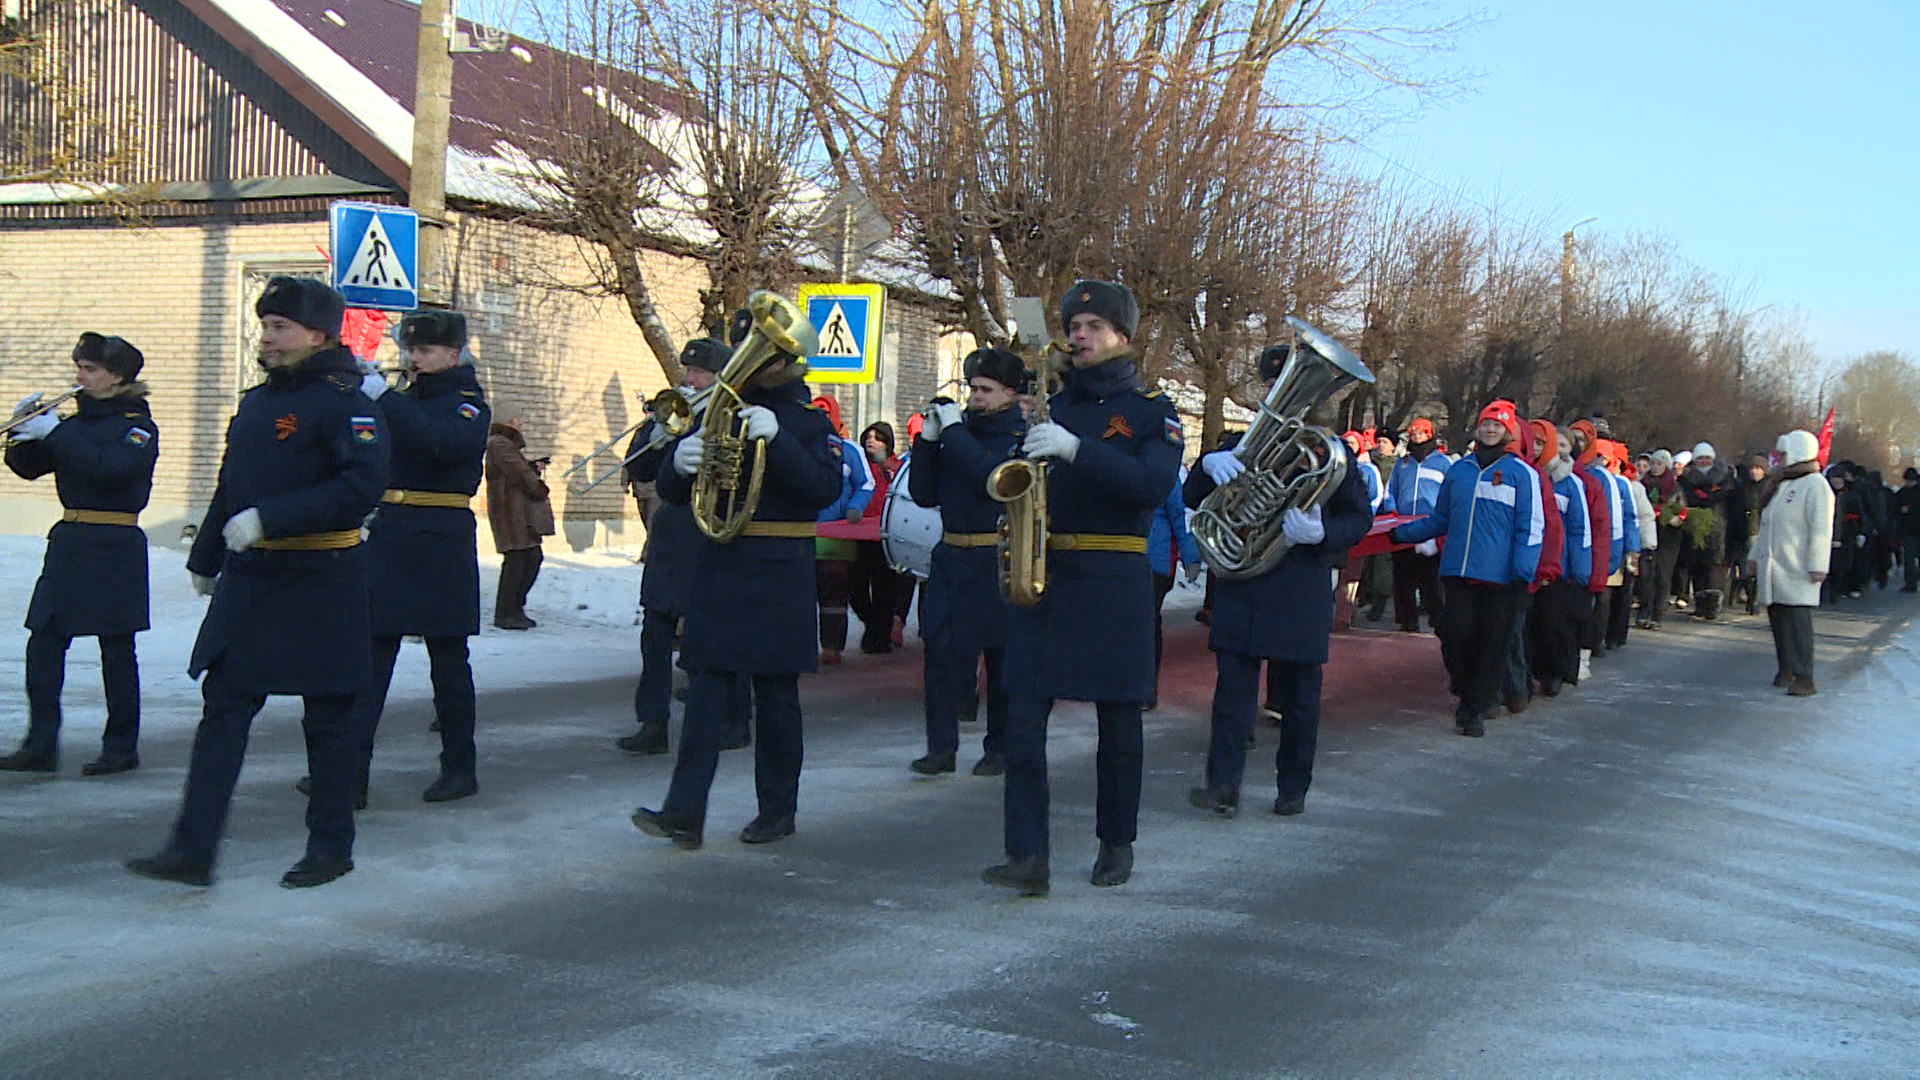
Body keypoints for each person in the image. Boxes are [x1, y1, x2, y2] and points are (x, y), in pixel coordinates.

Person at [127, 277, 387, 888]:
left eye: (279, 327)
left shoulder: (349, 404)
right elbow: (232, 483)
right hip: (253, 582)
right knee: (224, 707)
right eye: (264, 325)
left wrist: (272, 518)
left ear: (317, 335)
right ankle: (191, 850)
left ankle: (330, 847)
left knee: (329, 720)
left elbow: (359, 488)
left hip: (322, 579)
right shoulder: (257, 402)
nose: (265, 337)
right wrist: (207, 555)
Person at [982, 280, 1181, 896]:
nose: (1079, 335)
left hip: (1114, 578)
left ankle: (1116, 843)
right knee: (1021, 719)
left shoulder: (1152, 411)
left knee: (1117, 724)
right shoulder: (1052, 403)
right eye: (1074, 326)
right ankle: (1026, 854)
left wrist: (1076, 449)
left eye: (1094, 326)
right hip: (1046, 576)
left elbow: (1149, 485)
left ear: (1123, 335)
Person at [631, 333, 841, 849]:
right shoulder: (718, 412)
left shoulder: (809, 422)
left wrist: (780, 441)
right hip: (722, 564)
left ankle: (777, 810)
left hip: (780, 570)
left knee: (776, 698)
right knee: (704, 694)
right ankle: (684, 813)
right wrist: (678, 464)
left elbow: (822, 490)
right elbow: (675, 491)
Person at [1184, 374, 1371, 818]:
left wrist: (1321, 532)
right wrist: (1207, 464)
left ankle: (1292, 788)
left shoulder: (1330, 453)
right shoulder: (1239, 443)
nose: (1281, 395)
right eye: (1275, 385)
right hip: (1243, 583)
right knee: (1232, 698)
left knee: (1300, 699)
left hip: (1300, 584)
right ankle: (1222, 787)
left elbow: (1358, 517)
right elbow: (1193, 496)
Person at [337, 309, 490, 806]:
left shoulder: (469, 405)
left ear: (453, 354)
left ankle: (459, 768)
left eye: (425, 351)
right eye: (411, 350)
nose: (414, 359)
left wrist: (384, 399)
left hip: (442, 538)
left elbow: (439, 442)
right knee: (370, 659)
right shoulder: (405, 398)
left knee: (448, 661)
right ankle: (349, 773)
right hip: (393, 533)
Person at [0, 333, 158, 775]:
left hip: (115, 543)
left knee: (116, 648)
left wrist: (56, 432)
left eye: (90, 369)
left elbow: (109, 468)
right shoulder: (75, 423)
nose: (80, 376)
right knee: (44, 642)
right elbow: (29, 468)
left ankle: (121, 746)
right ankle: (40, 744)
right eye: (80, 367)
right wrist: (22, 432)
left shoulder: (137, 426)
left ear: (117, 376)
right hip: (71, 541)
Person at [617, 338, 750, 756]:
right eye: (688, 371)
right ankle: (652, 722)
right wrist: (657, 435)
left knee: (718, 633)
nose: (691, 380)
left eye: (700, 373)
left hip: (712, 534)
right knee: (654, 631)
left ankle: (734, 719)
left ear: (720, 376)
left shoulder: (732, 415)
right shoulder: (672, 410)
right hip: (670, 533)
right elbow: (638, 469)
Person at [908, 348, 1028, 776]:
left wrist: (954, 433)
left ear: (1009, 394)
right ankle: (941, 748)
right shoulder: (958, 433)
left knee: (1000, 658)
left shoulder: (1019, 438)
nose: (975, 397)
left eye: (986, 390)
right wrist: (927, 441)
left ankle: (1000, 748)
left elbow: (989, 478)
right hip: (952, 555)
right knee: (940, 654)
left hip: (996, 556)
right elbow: (924, 494)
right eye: (973, 388)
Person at [1390, 400, 1543, 736]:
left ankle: (1475, 708)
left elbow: (1530, 529)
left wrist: (1522, 574)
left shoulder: (1521, 474)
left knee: (1491, 645)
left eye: (1497, 425)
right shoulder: (1460, 470)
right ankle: (1466, 690)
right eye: (1486, 423)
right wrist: (1401, 534)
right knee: (1455, 637)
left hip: (1498, 578)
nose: (1490, 429)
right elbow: (1441, 518)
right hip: (1457, 571)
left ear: (1508, 431)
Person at [1749, 430, 1832, 696]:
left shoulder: (1816, 485)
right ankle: (1785, 668)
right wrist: (1754, 556)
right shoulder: (1781, 484)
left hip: (1797, 566)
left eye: (1784, 454)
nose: (1780, 459)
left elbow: (1821, 528)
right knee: (1778, 619)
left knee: (1797, 622)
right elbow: (1767, 525)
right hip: (1775, 565)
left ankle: (1804, 675)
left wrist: (1818, 564)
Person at [1503, 421, 1561, 714]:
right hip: (1490, 566)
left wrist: (1546, 567)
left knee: (1515, 631)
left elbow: (1548, 526)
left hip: (1524, 568)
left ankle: (1518, 687)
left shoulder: (1535, 477)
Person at [811, 394, 874, 665]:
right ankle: (800, 648)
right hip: (801, 533)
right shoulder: (800, 446)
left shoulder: (849, 450)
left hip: (837, 535)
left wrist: (855, 508)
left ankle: (832, 647)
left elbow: (866, 483)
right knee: (799, 596)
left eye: (827, 414)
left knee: (834, 596)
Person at [1531, 426, 1590, 697]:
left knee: (1552, 622)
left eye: (1541, 443)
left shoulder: (1570, 483)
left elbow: (1579, 529)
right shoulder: (1525, 473)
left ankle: (1552, 672)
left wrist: (1579, 569)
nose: (1536, 448)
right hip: (1528, 561)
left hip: (1558, 566)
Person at [486, 408, 553, 629]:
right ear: (509, 420)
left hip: (517, 510)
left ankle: (514, 608)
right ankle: (507, 612)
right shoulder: (500, 444)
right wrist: (538, 486)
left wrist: (532, 467)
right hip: (511, 511)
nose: (521, 422)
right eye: (518, 418)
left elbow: (517, 470)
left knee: (529, 557)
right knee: (519, 559)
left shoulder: (504, 444)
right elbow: (519, 474)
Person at [1147, 469, 1204, 711]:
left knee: (1148, 624)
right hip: (1135, 561)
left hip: (1156, 562)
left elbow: (1180, 518)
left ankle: (1146, 688)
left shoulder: (1166, 477)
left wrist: (1191, 557)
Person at [1386, 417, 1448, 633]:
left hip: (1429, 527)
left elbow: (1449, 494)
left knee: (1431, 578)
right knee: (1403, 576)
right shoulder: (1402, 463)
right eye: (1413, 434)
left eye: (1420, 434)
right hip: (1403, 527)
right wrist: (1392, 511)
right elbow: (1390, 490)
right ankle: (1407, 620)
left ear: (1429, 435)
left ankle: (1438, 618)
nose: (1416, 438)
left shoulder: (1444, 463)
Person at [849, 421, 905, 654]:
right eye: (868, 436)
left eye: (877, 437)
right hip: (860, 535)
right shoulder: (859, 467)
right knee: (856, 588)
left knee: (885, 589)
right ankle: (875, 626)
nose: (871, 440)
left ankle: (878, 637)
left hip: (889, 538)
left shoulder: (900, 468)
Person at [1566, 420, 1614, 679]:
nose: (1576, 445)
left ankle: (1582, 655)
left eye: (1581, 439)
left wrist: (1602, 567)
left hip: (1585, 558)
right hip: (1561, 560)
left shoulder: (1596, 480)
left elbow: (1604, 527)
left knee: (1581, 612)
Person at [1679, 442, 1734, 619]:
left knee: (1714, 568)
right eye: (1700, 459)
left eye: (1707, 458)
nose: (1703, 462)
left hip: (1718, 527)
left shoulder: (1725, 478)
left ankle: (1713, 606)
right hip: (1694, 528)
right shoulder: (1687, 479)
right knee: (1696, 568)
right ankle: (1700, 605)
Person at [1638, 450, 1685, 629]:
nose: (1655, 467)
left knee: (1662, 576)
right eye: (1653, 463)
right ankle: (1644, 611)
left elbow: (1682, 509)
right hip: (1648, 532)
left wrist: (1675, 518)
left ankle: (1657, 614)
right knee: (1646, 575)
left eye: (1659, 464)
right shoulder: (1643, 484)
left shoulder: (1674, 486)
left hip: (1668, 536)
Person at [1896, 467, 1920, 591]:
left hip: (1911, 528)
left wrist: (1908, 510)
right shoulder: (1902, 492)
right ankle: (1910, 583)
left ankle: (1912, 581)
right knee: (1909, 559)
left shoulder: (1904, 492)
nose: (1908, 483)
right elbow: (1895, 508)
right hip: (1908, 530)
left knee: (1910, 558)